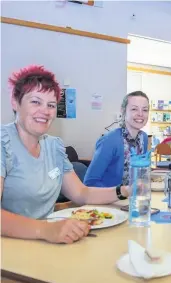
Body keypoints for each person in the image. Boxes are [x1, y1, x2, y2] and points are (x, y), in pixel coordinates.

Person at [1, 65, 129, 245]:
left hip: (48, 241)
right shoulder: (3, 143)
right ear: (15, 101)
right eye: (36, 102)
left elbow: (81, 194)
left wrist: (123, 191)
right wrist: (45, 229)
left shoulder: (54, 146)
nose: (45, 111)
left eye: (51, 105)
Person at [84, 91, 149, 187]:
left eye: (145, 110)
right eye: (134, 109)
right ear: (123, 111)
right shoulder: (109, 141)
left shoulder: (144, 138)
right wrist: (118, 194)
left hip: (133, 198)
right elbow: (90, 183)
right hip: (110, 200)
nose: (140, 114)